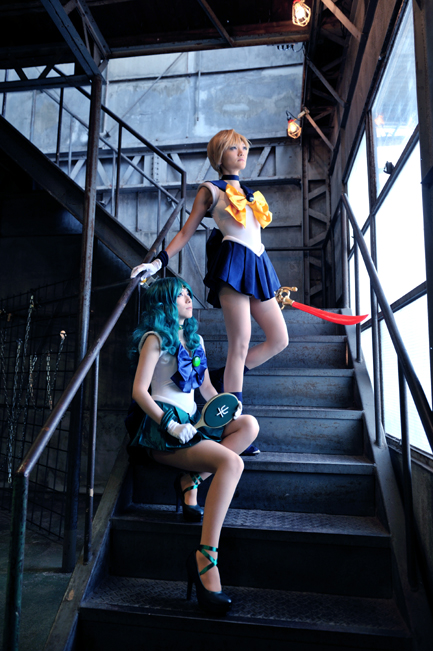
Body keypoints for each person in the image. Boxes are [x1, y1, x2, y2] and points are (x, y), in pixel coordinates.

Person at [131, 128, 289, 454]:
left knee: (279, 339)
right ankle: (231, 421)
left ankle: (220, 377)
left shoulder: (249, 193)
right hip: (233, 263)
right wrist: (157, 263)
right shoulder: (211, 190)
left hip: (258, 263)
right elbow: (186, 231)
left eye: (243, 147)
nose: (242, 152)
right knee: (241, 342)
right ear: (220, 155)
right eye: (233, 148)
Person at [127, 277, 259, 614]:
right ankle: (205, 557)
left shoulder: (196, 339)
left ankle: (192, 480)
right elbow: (139, 391)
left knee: (248, 425)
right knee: (232, 463)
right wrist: (169, 424)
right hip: (163, 429)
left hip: (192, 423)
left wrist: (228, 404)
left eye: (188, 293)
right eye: (181, 295)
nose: (189, 298)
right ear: (165, 304)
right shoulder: (155, 339)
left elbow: (206, 389)